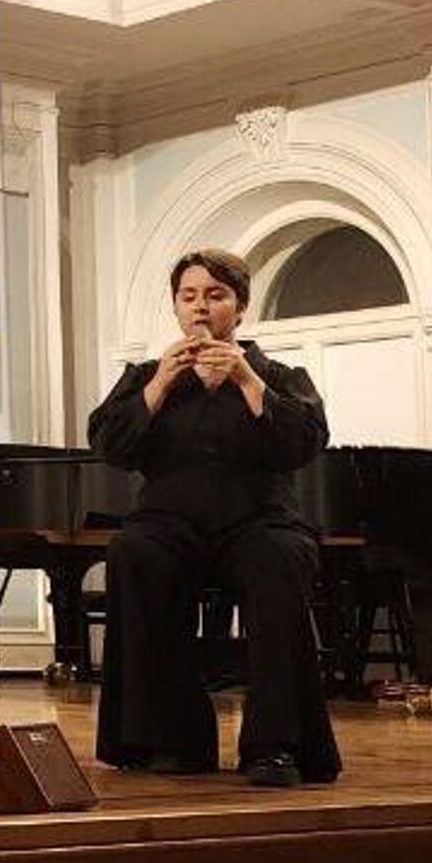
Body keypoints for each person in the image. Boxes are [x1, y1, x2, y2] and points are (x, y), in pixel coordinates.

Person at [89, 248, 340, 788]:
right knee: (133, 551)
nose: (200, 307)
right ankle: (169, 740)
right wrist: (158, 385)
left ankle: (276, 746)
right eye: (189, 296)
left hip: (258, 520)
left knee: (280, 559)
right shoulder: (146, 376)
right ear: (177, 307)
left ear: (240, 307)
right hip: (170, 522)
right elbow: (110, 444)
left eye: (215, 295)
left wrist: (248, 382)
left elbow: (304, 442)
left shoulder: (279, 375)